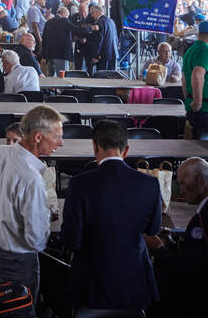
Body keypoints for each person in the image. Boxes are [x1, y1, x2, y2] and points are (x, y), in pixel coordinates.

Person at [61, 121, 163, 310]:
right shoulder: (150, 183)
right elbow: (153, 229)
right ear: (126, 150)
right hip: (135, 279)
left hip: (91, 282)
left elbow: (71, 239)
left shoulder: (79, 184)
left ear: (94, 146)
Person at [0, 105, 63, 293]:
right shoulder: (31, 178)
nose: (60, 143)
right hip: (18, 260)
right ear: (38, 137)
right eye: (56, 137)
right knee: (20, 306)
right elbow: (36, 238)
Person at [148, 157, 208, 311]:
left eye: (182, 183)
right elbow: (202, 255)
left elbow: (185, 269)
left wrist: (159, 249)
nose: (181, 191)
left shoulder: (207, 217)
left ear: (198, 180)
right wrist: (173, 245)